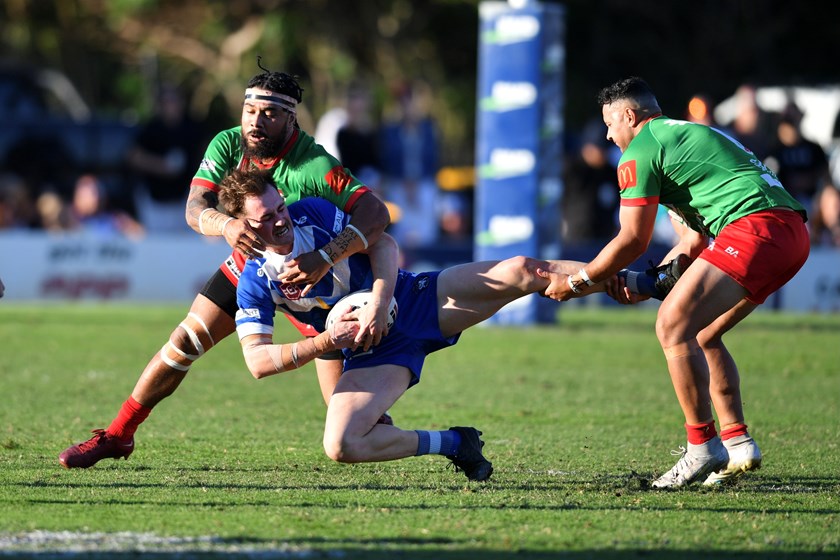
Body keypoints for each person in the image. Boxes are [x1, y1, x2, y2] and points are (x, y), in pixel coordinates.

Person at [58, 63, 391, 469]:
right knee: (184, 342)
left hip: (313, 286)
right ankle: (117, 435)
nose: (256, 122)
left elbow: (376, 214)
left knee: (353, 426)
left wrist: (326, 257)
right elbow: (194, 208)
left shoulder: (315, 166)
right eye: (250, 111)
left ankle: (439, 438)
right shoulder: (228, 143)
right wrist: (226, 224)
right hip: (253, 270)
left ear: (291, 118)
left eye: (269, 114)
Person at [219, 170, 601, 481]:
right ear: (243, 227)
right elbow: (257, 361)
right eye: (266, 218)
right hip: (370, 350)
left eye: (280, 207)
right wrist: (327, 342)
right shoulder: (254, 280)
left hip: (410, 298)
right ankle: (455, 443)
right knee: (342, 444)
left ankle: (621, 278)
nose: (281, 220)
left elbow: (382, 244)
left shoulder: (313, 214)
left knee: (522, 270)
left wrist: (379, 302)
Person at [539, 77, 810, 488]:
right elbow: (690, 245)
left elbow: (633, 239)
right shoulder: (680, 140)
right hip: (790, 234)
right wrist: (644, 283)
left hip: (756, 230)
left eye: (610, 124)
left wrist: (578, 282)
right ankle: (737, 442)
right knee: (702, 333)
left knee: (671, 324)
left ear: (629, 116)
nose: (609, 136)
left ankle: (702, 446)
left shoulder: (641, 150)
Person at [126, 84, 206, 234]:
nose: (171, 105)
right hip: (155, 202)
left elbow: (207, 157)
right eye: (166, 101)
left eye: (174, 100)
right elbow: (133, 157)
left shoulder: (193, 128)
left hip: (185, 202)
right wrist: (161, 166)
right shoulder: (151, 128)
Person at [378, 80, 441, 248]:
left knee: (427, 229)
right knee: (402, 230)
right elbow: (388, 160)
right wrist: (405, 182)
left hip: (424, 184)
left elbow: (433, 159)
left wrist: (417, 182)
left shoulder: (429, 129)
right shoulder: (391, 130)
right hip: (398, 185)